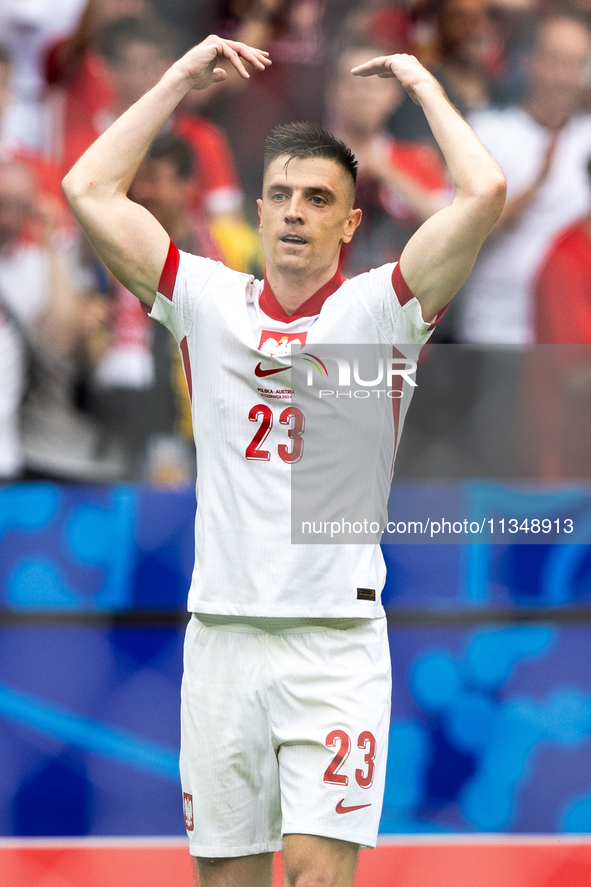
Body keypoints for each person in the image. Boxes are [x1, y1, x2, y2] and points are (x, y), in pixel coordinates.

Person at [62, 34, 505, 887]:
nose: (295, 210)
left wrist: (418, 80)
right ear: (258, 214)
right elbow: (86, 187)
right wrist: (179, 78)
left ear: (350, 221)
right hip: (221, 636)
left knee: (312, 873)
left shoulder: (386, 310)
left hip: (333, 644)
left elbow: (483, 189)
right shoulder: (202, 298)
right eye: (280, 196)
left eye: (316, 197)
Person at [456, 15, 591, 345]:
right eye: (557, 60)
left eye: (579, 64)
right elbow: (458, 239)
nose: (567, 77)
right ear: (529, 61)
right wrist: (535, 185)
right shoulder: (487, 133)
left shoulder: (588, 137)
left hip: (572, 335)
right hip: (497, 330)